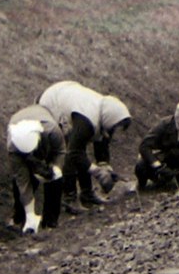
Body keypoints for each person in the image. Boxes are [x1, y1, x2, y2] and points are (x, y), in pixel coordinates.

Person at [37, 80, 131, 210]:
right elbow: (74, 152)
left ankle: (87, 194)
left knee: (79, 149)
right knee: (68, 150)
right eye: (114, 128)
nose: (112, 133)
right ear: (110, 119)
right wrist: (96, 171)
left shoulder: (103, 114)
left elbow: (102, 141)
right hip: (52, 103)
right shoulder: (87, 120)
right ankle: (69, 198)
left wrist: (105, 166)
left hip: (70, 96)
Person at [6, 105, 66, 234]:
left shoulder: (52, 131)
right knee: (21, 180)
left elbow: (60, 151)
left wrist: (55, 169)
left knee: (55, 177)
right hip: (21, 142)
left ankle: (50, 222)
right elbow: (23, 181)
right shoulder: (13, 147)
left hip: (46, 139)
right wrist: (30, 215)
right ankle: (21, 218)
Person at [136, 99, 179, 191]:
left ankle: (174, 180)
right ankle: (143, 185)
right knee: (141, 165)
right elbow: (144, 146)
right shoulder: (164, 125)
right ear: (176, 120)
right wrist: (157, 166)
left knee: (178, 154)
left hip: (177, 163)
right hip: (159, 158)